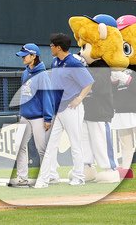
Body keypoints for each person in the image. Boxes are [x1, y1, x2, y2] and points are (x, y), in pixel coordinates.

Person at [34, 32, 93, 188]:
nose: (50, 48)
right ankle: (44, 178)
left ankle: (79, 177)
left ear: (58, 47)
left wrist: (79, 98)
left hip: (72, 109)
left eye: (52, 45)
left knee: (75, 143)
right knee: (51, 145)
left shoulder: (74, 62)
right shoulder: (55, 62)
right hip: (58, 109)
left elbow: (88, 82)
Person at [8, 43, 52, 188]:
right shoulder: (26, 72)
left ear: (34, 56)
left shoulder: (42, 75)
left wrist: (48, 118)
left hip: (39, 117)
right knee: (20, 146)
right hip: (25, 116)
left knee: (42, 149)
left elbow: (47, 97)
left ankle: (46, 179)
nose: (22, 58)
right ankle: (22, 178)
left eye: (25, 56)